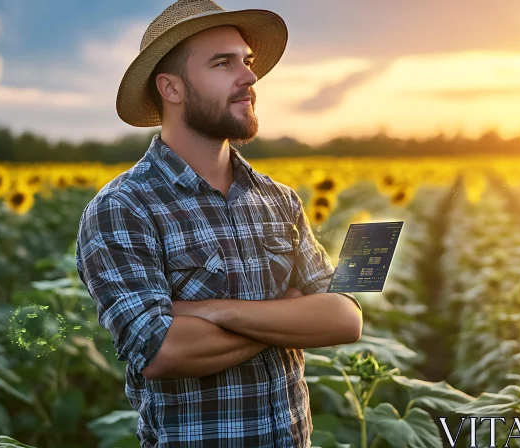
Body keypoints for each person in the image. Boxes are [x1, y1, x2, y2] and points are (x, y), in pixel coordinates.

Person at [75, 1, 364, 446]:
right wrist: (288, 314)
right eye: (223, 63)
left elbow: (344, 318)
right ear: (171, 88)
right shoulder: (125, 208)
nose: (249, 77)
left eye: (246, 61)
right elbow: (161, 350)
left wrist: (213, 311)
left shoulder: (278, 199)